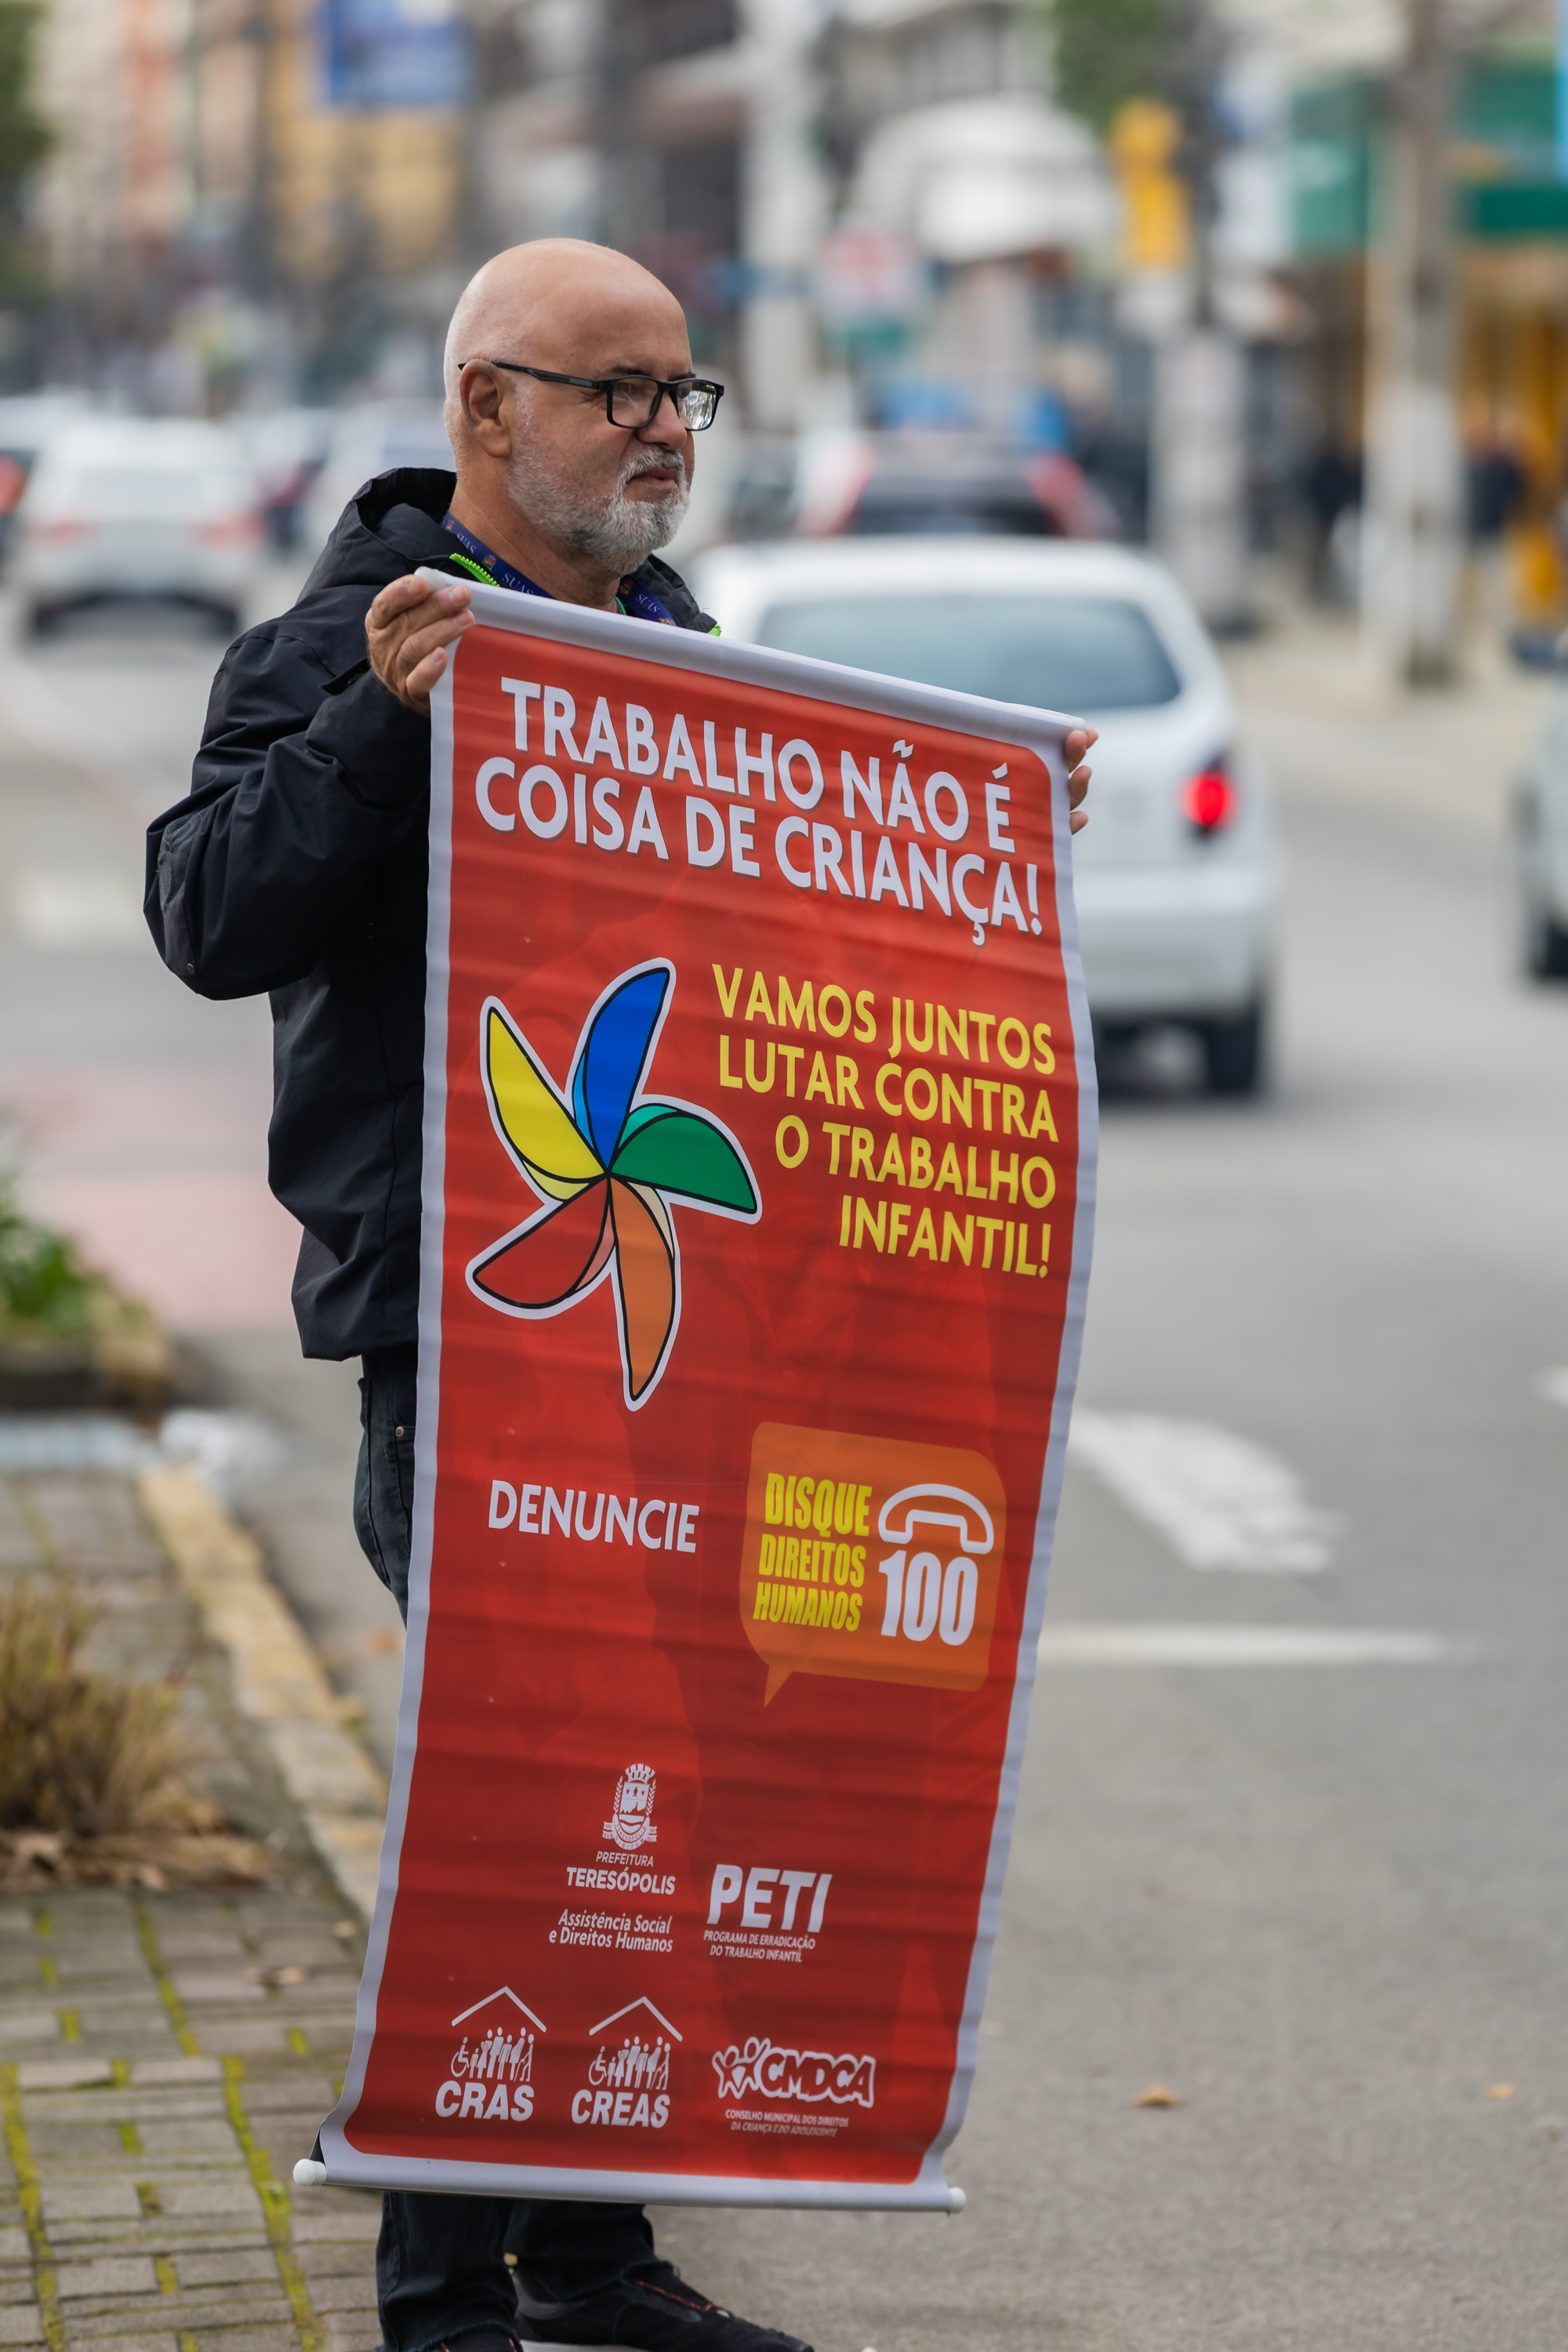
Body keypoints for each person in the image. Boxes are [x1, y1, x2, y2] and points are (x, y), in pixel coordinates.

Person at [144, 238, 1096, 2352]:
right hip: (471, 1339)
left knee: (645, 1804)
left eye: (685, 392)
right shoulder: (339, 644)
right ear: (489, 407)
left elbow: (808, 972)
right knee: (531, 1783)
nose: (666, 430)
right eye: (620, 391)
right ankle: (441, 2300)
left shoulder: (687, 659)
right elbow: (206, 915)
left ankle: (584, 2259)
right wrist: (386, 724)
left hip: (690, 1345)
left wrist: (990, 836)